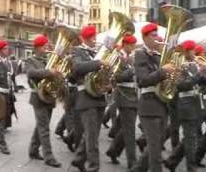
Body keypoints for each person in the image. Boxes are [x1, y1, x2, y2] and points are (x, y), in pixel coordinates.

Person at [129, 23, 175, 172]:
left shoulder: (158, 55)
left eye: (157, 35)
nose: (158, 38)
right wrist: (163, 71)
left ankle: (137, 169)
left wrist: (174, 75)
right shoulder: (140, 54)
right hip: (149, 106)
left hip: (162, 105)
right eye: (153, 36)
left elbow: (166, 80)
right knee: (156, 152)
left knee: (156, 144)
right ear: (145, 37)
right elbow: (143, 80)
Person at [163, 40, 206, 172]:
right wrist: (199, 74)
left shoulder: (195, 64)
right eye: (191, 50)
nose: (194, 52)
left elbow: (202, 83)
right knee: (191, 140)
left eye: (193, 49)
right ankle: (191, 168)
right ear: (185, 52)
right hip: (186, 105)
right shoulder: (179, 66)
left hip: (196, 104)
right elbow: (182, 85)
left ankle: (172, 161)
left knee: (189, 137)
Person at [70, 25, 107, 172]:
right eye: (92, 38)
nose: (94, 40)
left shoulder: (97, 52)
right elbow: (77, 68)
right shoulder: (77, 51)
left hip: (99, 96)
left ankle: (79, 159)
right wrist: (98, 63)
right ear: (84, 38)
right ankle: (94, 167)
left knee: (92, 134)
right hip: (86, 97)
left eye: (95, 37)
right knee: (92, 138)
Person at [26, 35, 62, 167]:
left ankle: (33, 150)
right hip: (38, 98)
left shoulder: (49, 60)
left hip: (49, 97)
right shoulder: (30, 60)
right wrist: (49, 72)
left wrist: (58, 73)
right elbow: (31, 73)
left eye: (47, 46)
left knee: (41, 126)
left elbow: (55, 75)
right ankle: (49, 157)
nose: (47, 48)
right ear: (37, 48)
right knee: (44, 128)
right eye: (44, 46)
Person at [105, 34, 138, 169]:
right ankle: (133, 162)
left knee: (126, 129)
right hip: (124, 95)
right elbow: (115, 78)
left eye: (134, 45)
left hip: (134, 96)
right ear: (124, 44)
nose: (133, 47)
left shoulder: (132, 57)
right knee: (130, 131)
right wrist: (132, 70)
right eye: (131, 45)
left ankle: (113, 151)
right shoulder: (118, 57)